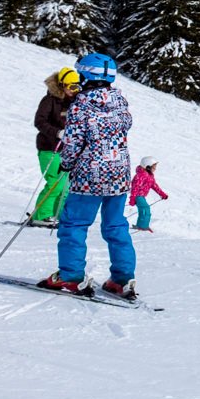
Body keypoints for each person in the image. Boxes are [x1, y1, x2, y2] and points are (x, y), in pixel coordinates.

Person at [37, 53, 139, 301]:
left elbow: (72, 142)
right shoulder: (120, 101)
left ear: (86, 76)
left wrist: (66, 164)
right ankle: (122, 278)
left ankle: (71, 276)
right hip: (118, 174)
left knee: (74, 225)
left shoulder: (81, 105)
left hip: (89, 177)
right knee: (116, 225)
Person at [29, 66, 81, 227]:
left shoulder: (75, 102)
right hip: (49, 148)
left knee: (66, 185)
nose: (75, 90)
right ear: (62, 85)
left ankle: (59, 215)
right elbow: (39, 121)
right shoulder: (50, 100)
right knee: (54, 183)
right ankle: (42, 215)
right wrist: (57, 132)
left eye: (77, 86)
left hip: (66, 151)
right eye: (71, 86)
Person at [129, 157, 168, 232]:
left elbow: (154, 186)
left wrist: (162, 194)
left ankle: (142, 225)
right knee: (145, 209)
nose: (155, 169)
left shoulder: (149, 176)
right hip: (138, 196)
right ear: (147, 166)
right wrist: (132, 198)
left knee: (144, 210)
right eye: (154, 167)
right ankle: (142, 226)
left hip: (141, 196)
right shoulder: (141, 175)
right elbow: (135, 188)